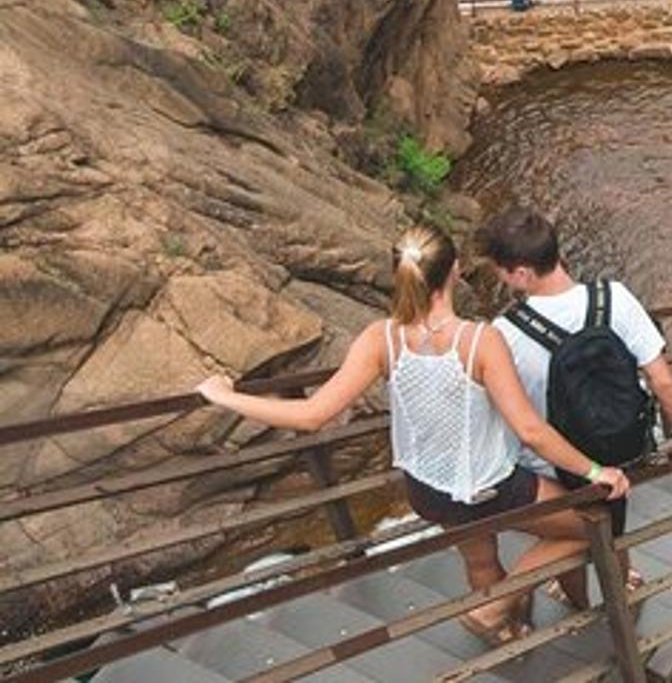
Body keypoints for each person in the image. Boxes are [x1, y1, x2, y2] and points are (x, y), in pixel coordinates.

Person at [194, 227, 630, 644]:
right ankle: (491, 611)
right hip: (488, 486)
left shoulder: (379, 338)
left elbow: (312, 415)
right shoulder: (479, 340)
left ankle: (507, 632)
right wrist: (596, 470)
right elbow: (530, 430)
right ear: (455, 270)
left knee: (480, 558)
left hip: (428, 487)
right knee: (591, 527)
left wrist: (225, 397)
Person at [480, 208, 672, 601]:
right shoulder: (614, 297)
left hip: (556, 459)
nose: (499, 279)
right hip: (620, 442)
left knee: (577, 526)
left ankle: (577, 598)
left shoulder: (506, 332)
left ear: (521, 274)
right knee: (610, 519)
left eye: (499, 271)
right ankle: (622, 587)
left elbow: (506, 410)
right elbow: (662, 379)